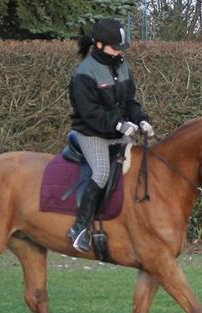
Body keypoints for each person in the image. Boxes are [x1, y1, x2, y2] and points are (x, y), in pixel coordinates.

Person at [66, 18, 154, 252]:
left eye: (120, 48)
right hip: (91, 133)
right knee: (102, 172)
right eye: (115, 48)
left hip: (118, 131)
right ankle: (80, 227)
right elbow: (90, 112)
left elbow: (130, 101)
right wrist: (119, 124)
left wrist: (141, 119)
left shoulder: (121, 66)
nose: (119, 52)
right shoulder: (84, 73)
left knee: (139, 167)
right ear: (99, 45)